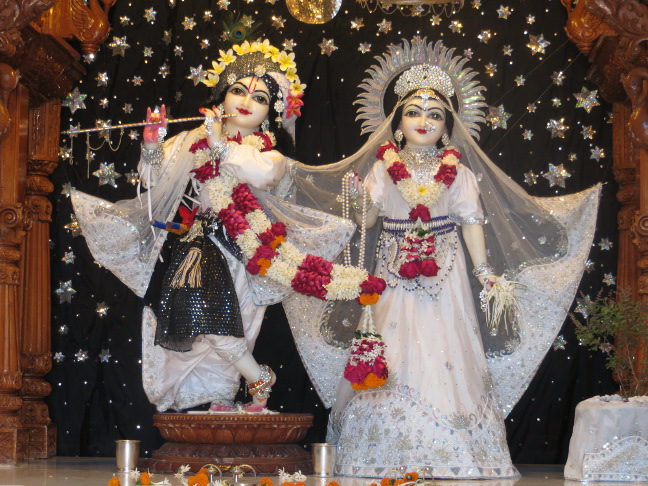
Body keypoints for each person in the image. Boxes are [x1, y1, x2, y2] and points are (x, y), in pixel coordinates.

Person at [285, 39, 601, 478]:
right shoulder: (383, 167)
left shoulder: (459, 172)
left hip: (444, 273)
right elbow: (369, 219)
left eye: (434, 115)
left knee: (446, 348)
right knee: (390, 348)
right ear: (397, 123)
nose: (424, 121)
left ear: (447, 127)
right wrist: (358, 200)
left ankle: (454, 453)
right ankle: (382, 452)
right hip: (393, 271)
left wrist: (484, 271)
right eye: (414, 112)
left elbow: (471, 222)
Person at [72, 40, 383, 413]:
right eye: (238, 90)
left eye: (260, 98)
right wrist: (152, 146)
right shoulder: (190, 141)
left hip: (247, 251)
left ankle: (228, 395)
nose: (246, 101)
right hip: (198, 245)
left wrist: (220, 145)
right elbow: (154, 180)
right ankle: (256, 380)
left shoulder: (267, 153)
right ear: (221, 98)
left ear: (270, 113)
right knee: (202, 322)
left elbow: (262, 174)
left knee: (237, 323)